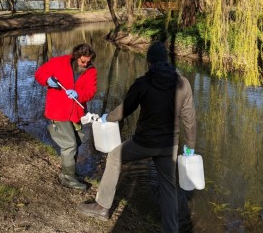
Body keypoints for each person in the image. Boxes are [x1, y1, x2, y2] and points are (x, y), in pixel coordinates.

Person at [78, 41, 196, 232]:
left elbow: (124, 110)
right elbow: (189, 118)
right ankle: (171, 230)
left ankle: (102, 207)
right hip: (169, 145)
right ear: (166, 62)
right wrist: (190, 145)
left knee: (115, 156)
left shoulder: (143, 83)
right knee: (168, 187)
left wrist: (107, 117)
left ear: (149, 63)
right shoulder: (183, 84)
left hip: (144, 142)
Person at [35, 43, 97, 191]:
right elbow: (39, 74)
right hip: (58, 112)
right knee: (69, 145)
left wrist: (79, 95)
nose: (85, 64)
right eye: (83, 61)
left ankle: (69, 172)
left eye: (88, 61)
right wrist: (47, 81)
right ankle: (68, 178)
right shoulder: (58, 62)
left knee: (77, 141)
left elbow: (91, 91)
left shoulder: (91, 70)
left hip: (77, 113)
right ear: (76, 57)